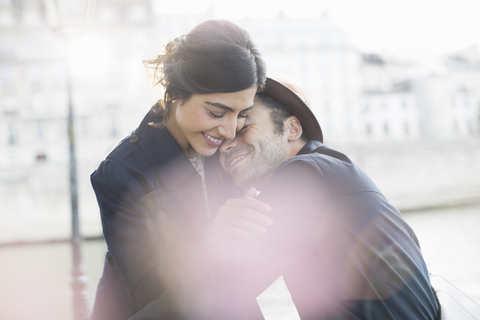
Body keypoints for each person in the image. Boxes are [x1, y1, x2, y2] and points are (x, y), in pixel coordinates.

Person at [129, 78, 440, 320]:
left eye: (245, 124)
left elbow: (220, 291)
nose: (225, 146)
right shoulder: (330, 169)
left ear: (292, 128)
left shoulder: (304, 176)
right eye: (222, 138)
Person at [89, 19, 266, 320]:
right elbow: (153, 298)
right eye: (216, 112)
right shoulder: (121, 174)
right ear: (176, 92)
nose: (228, 129)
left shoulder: (226, 147)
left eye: (242, 114)